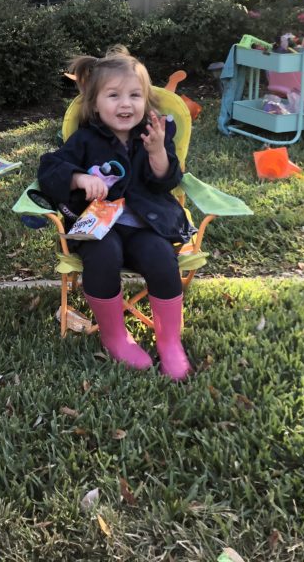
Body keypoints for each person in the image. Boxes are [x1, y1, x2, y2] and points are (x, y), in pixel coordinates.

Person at [38, 47, 192, 380]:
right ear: (95, 104)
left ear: (146, 100)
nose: (126, 104)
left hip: (144, 224)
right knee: (104, 254)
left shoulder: (153, 135)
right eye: (114, 95)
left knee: (162, 256)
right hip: (98, 227)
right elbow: (49, 170)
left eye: (135, 95)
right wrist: (80, 178)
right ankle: (115, 337)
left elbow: (167, 181)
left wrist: (157, 154)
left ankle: (170, 342)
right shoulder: (85, 140)